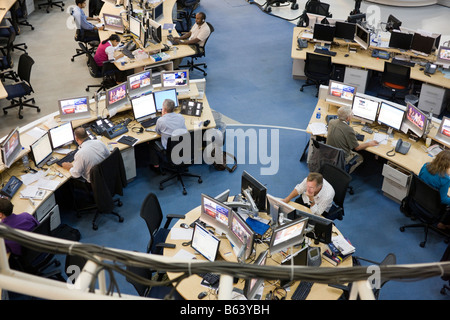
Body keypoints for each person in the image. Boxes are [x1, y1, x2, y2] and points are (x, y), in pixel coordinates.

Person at [326, 106, 379, 174]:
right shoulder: (348, 130)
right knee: (360, 158)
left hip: (330, 153)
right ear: (348, 118)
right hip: (342, 157)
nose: (352, 115)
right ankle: (343, 174)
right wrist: (369, 143)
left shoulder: (331, 122)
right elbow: (357, 148)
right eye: (352, 114)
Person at [149, 99, 187, 170]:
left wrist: (163, 116)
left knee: (151, 143)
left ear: (164, 109)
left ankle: (156, 166)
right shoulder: (181, 117)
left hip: (169, 152)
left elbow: (158, 132)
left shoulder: (161, 120)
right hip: (183, 148)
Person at [419, 150, 450, 229]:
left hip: (419, 198)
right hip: (432, 205)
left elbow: (419, 179)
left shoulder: (426, 166)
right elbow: (443, 200)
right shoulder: (445, 179)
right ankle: (442, 224)